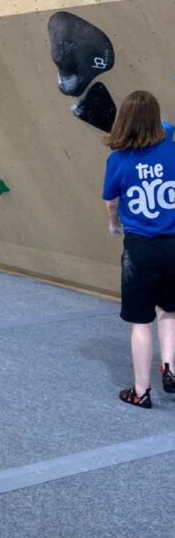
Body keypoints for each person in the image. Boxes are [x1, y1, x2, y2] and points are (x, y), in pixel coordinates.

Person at [102, 89, 175, 408]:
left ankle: (141, 391)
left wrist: (114, 224)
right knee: (170, 312)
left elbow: (111, 201)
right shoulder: (173, 151)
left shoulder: (118, 160)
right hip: (173, 246)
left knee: (141, 322)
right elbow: (168, 127)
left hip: (140, 250)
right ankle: (170, 370)